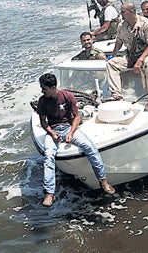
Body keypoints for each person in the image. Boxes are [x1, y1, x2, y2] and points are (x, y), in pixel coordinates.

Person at [35, 73, 115, 206]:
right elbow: (43, 122)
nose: (42, 91)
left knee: (90, 147)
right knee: (48, 155)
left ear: (53, 87)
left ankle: (103, 181)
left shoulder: (67, 96)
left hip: (68, 127)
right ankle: (50, 193)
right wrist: (52, 133)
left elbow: (77, 117)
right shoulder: (42, 101)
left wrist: (71, 133)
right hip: (53, 130)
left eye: (44, 88)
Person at [106, 2, 148, 112]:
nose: (121, 14)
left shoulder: (146, 24)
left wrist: (140, 61)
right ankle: (117, 94)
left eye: (123, 12)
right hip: (132, 54)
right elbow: (119, 41)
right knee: (112, 64)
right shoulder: (122, 25)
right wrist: (113, 56)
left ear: (132, 12)